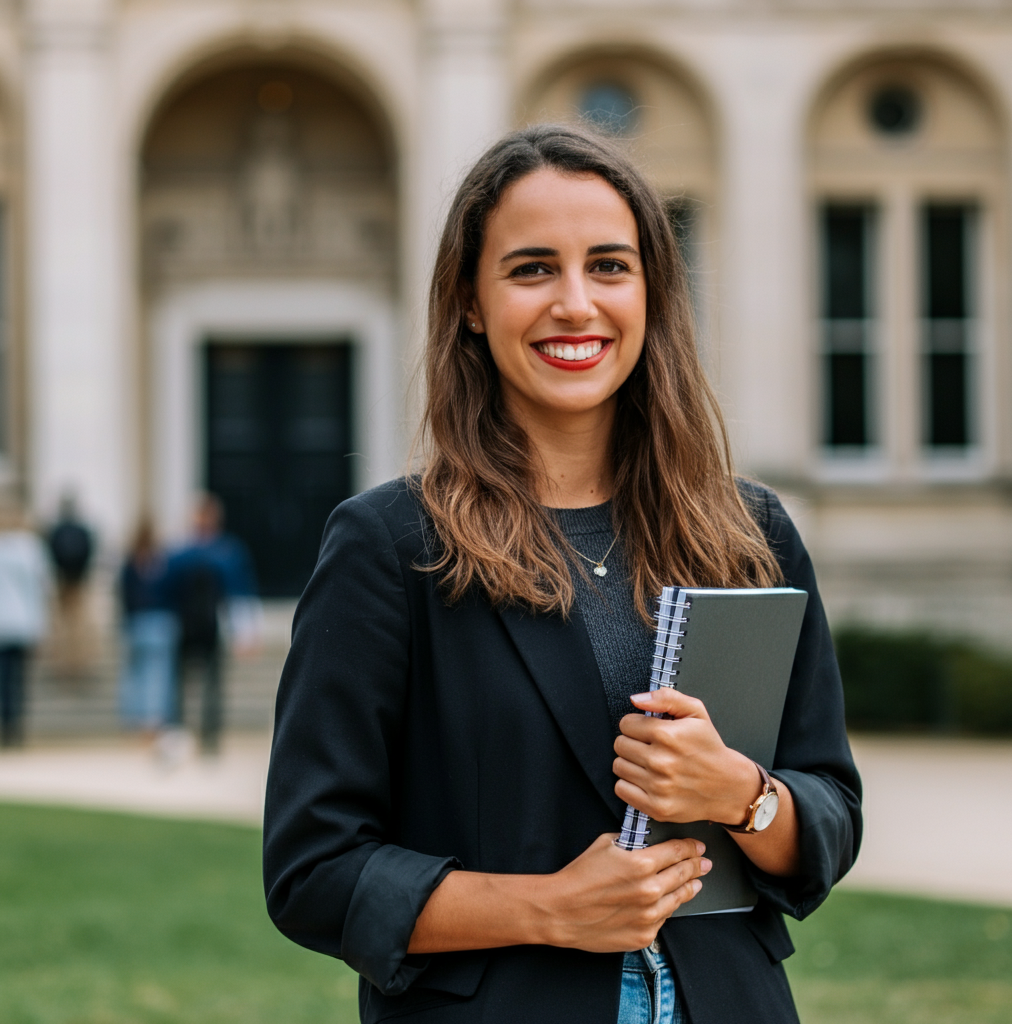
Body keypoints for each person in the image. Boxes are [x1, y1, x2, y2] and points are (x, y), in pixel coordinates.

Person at [263, 124, 862, 1024]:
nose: (576, 303)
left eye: (610, 266)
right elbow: (313, 870)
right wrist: (548, 909)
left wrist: (743, 797)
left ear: (653, 292)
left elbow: (831, 810)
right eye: (532, 268)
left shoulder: (748, 530)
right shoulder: (390, 546)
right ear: (471, 301)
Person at [166, 494, 258, 754]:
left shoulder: (229, 551)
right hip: (184, 626)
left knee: (212, 686)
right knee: (180, 683)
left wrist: (246, 632)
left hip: (213, 627)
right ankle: (179, 732)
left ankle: (210, 737)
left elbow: (241, 592)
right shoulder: (182, 552)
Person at [0, 503, 50, 747]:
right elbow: (39, 588)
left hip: (4, 622)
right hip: (20, 622)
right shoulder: (29, 549)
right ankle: (13, 726)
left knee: (4, 676)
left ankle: (8, 723)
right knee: (16, 678)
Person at [118, 517, 176, 738]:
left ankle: (136, 718)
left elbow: (125, 596)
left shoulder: (131, 563)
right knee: (158, 674)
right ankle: (154, 718)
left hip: (137, 621)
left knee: (137, 674)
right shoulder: (162, 562)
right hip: (160, 621)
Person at [45, 493, 97, 678]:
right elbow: (91, 551)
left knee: (61, 625)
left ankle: (62, 664)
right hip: (79, 581)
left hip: (62, 580)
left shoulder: (55, 529)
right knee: (78, 625)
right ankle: (79, 662)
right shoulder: (83, 529)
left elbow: (49, 553)